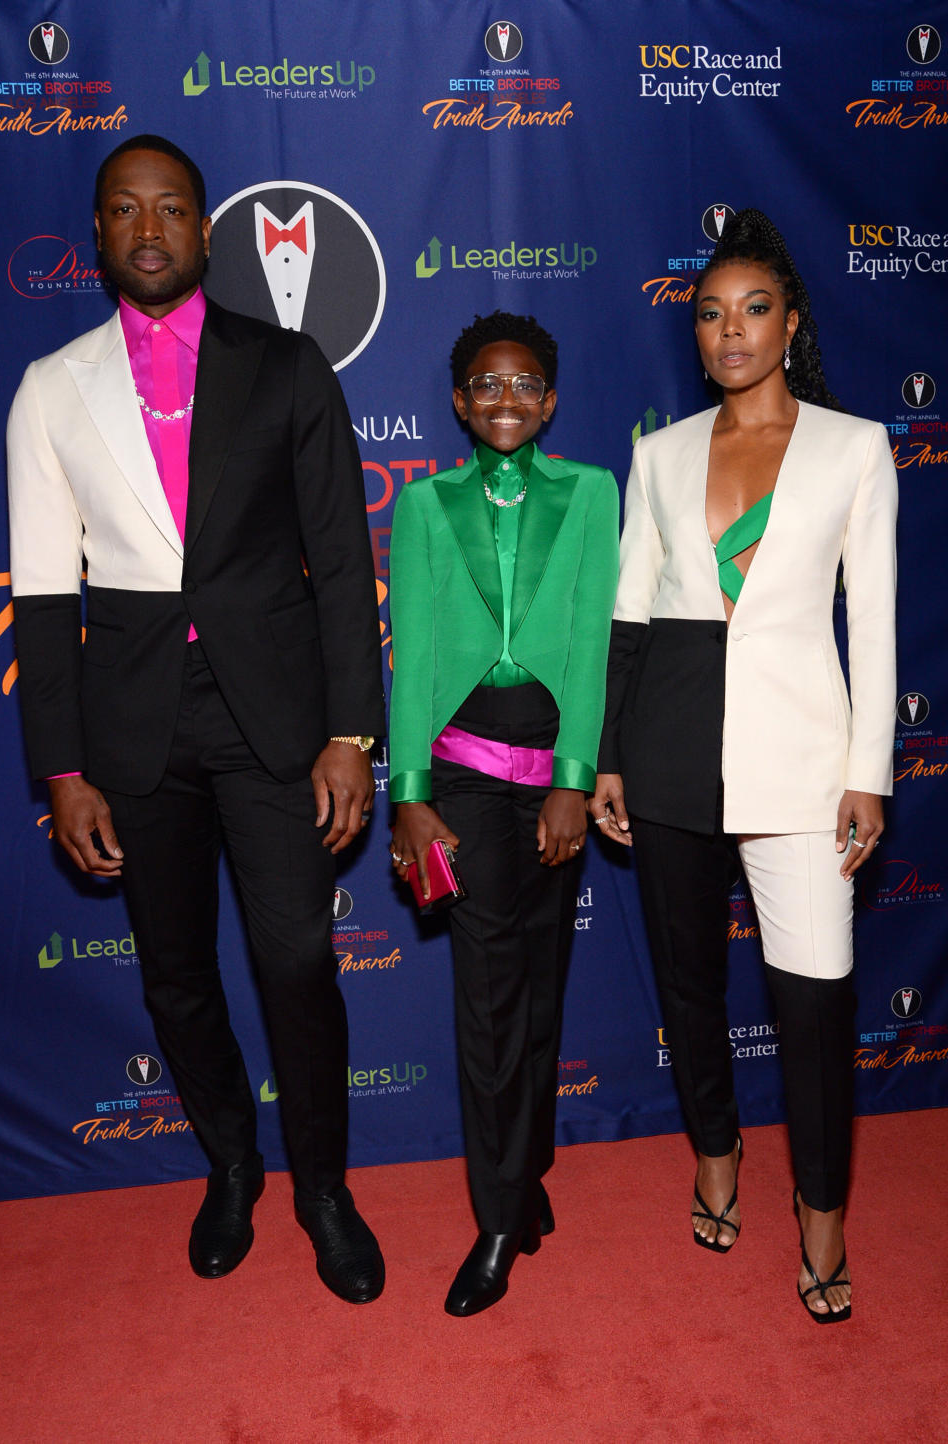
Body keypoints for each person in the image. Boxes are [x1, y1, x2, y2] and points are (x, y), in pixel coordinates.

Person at [7, 134, 387, 1304]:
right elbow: (40, 591)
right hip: (135, 730)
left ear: (207, 230)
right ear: (101, 234)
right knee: (173, 972)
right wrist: (61, 769)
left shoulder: (284, 365)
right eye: (127, 210)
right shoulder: (49, 387)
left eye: (172, 206)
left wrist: (351, 735)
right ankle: (232, 1163)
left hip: (273, 714)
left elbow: (337, 553)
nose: (151, 226)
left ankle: (323, 1184)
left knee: (297, 960)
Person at [592, 209, 897, 1323]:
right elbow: (629, 615)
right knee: (691, 986)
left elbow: (877, 623)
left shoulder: (856, 447)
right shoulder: (659, 453)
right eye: (710, 313)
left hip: (806, 768)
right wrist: (611, 755)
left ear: (790, 321)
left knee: (815, 1004)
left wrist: (870, 769)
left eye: (753, 309)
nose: (730, 331)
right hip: (670, 751)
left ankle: (823, 1214)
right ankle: (715, 1155)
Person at [388, 311, 619, 1315]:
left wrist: (576, 774)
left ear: (552, 398)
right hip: (468, 775)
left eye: (526, 383)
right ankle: (494, 1217)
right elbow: (413, 663)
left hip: (553, 773)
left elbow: (592, 638)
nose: (506, 398)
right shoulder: (426, 504)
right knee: (488, 995)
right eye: (486, 383)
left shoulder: (594, 493)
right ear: (458, 399)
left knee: (542, 980)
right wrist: (409, 793)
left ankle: (526, 1175)